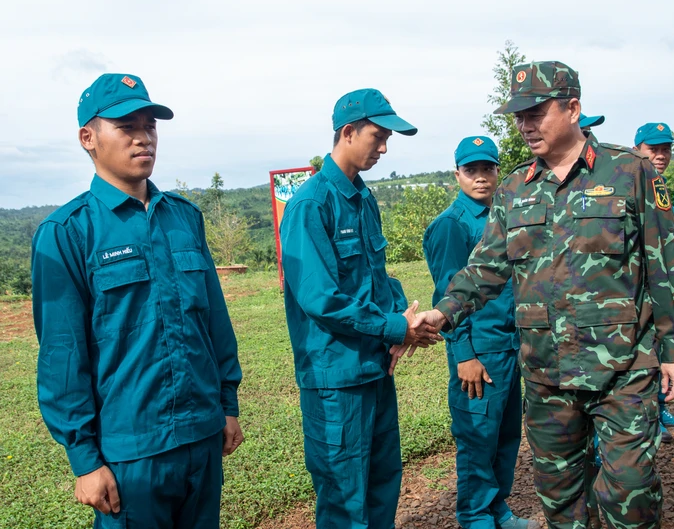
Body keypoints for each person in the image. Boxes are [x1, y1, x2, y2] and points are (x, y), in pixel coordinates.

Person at [408, 60, 674, 528]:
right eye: (518, 117)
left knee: (629, 490)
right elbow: (485, 267)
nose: (525, 126)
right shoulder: (515, 188)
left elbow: (667, 267)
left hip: (622, 369)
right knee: (560, 496)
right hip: (545, 373)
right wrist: (443, 314)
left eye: (535, 113)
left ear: (574, 108)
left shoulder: (631, 172)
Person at [31, 73, 243, 528]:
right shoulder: (68, 233)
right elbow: (62, 358)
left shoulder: (184, 218)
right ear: (88, 137)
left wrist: (227, 405)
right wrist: (85, 460)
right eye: (127, 126)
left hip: (203, 435)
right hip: (131, 452)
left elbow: (215, 323)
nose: (143, 137)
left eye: (150, 125)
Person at [280, 88, 441, 528]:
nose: (384, 148)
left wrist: (402, 317)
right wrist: (394, 327)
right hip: (337, 378)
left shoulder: (363, 198)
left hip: (373, 368)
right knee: (344, 496)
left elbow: (377, 274)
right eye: (378, 136)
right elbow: (321, 299)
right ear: (348, 132)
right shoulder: (311, 205)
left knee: (383, 480)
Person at [423, 136, 536, 529]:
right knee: (477, 440)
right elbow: (447, 296)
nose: (481, 178)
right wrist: (465, 355)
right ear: (457, 174)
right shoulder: (451, 226)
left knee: (505, 438)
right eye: (471, 170)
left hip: (509, 346)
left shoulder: (502, 217)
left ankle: (498, 510)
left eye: (488, 169)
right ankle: (475, 517)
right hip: (479, 352)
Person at [633, 122, 674, 442]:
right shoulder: (630, 181)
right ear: (637, 148)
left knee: (659, 352)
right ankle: (646, 420)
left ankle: (659, 409)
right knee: (642, 358)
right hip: (637, 289)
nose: (660, 155)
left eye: (666, 149)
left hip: (661, 286)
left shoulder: (659, 184)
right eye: (653, 149)